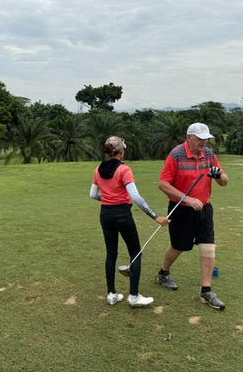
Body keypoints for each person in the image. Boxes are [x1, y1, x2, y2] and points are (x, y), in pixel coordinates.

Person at [155, 122, 229, 310]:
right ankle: (163, 273)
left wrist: (218, 176)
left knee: (208, 248)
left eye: (206, 139)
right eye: (200, 139)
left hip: (204, 209)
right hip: (181, 209)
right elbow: (163, 184)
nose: (204, 143)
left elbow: (224, 182)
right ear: (189, 138)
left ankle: (206, 291)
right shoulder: (176, 155)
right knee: (179, 246)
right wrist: (187, 199)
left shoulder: (209, 155)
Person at [90, 136, 170, 307]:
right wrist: (155, 216)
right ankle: (133, 296)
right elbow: (135, 197)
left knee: (111, 254)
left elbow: (93, 194)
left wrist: (108, 200)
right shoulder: (124, 169)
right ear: (120, 151)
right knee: (135, 253)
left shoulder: (98, 169)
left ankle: (111, 294)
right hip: (122, 215)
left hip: (105, 214)